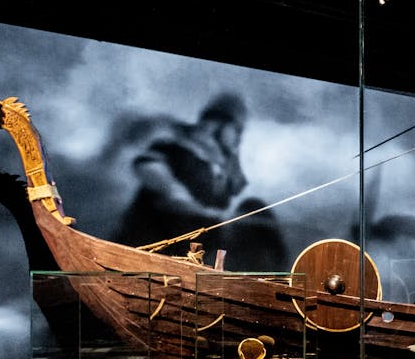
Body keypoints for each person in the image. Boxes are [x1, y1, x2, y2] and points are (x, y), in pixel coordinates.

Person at [113, 93, 287, 271]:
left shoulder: (221, 173)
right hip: (139, 257)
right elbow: (151, 172)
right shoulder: (174, 151)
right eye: (237, 131)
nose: (238, 139)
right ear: (222, 124)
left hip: (178, 268)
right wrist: (196, 207)